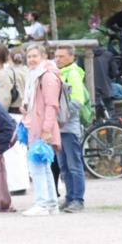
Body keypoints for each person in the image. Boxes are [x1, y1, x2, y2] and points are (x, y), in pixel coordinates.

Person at [21, 44, 62, 216]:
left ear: (44, 56)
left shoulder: (47, 76)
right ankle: (51, 203)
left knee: (37, 166)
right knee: (43, 165)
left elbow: (51, 104)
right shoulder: (34, 75)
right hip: (34, 124)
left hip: (42, 126)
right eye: (29, 56)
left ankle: (42, 203)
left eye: (35, 56)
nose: (31, 59)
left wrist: (46, 128)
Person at [53, 46, 87, 213]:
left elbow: (78, 100)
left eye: (61, 56)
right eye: (56, 56)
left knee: (74, 165)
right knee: (64, 166)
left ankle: (78, 199)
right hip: (58, 129)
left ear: (71, 57)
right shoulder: (58, 72)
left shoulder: (73, 73)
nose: (58, 59)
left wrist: (59, 115)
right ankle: (69, 196)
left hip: (69, 127)